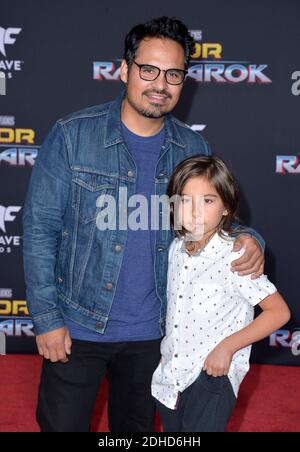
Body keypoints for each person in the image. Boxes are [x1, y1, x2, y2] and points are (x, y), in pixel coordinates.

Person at [23, 17, 265, 432]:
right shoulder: (72, 136)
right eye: (148, 69)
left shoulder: (193, 147)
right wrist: (46, 318)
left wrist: (250, 238)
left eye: (173, 74)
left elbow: (216, 220)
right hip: (76, 328)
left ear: (184, 81)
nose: (160, 83)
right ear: (124, 70)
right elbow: (39, 230)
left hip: (153, 336)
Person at [151, 155, 290, 432]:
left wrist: (227, 347)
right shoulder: (176, 250)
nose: (195, 211)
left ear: (226, 206)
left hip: (212, 376)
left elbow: (278, 313)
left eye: (208, 200)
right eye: (185, 200)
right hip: (170, 376)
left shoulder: (235, 254)